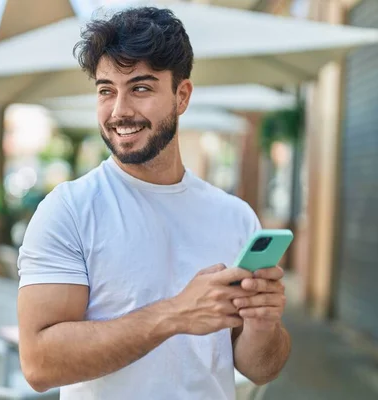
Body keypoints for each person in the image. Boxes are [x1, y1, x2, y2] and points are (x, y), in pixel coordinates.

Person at [17, 6, 291, 399]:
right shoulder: (69, 210)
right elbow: (39, 364)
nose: (119, 110)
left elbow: (261, 369)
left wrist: (263, 325)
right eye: (106, 90)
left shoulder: (235, 216)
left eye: (140, 88)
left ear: (182, 96)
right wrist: (177, 313)